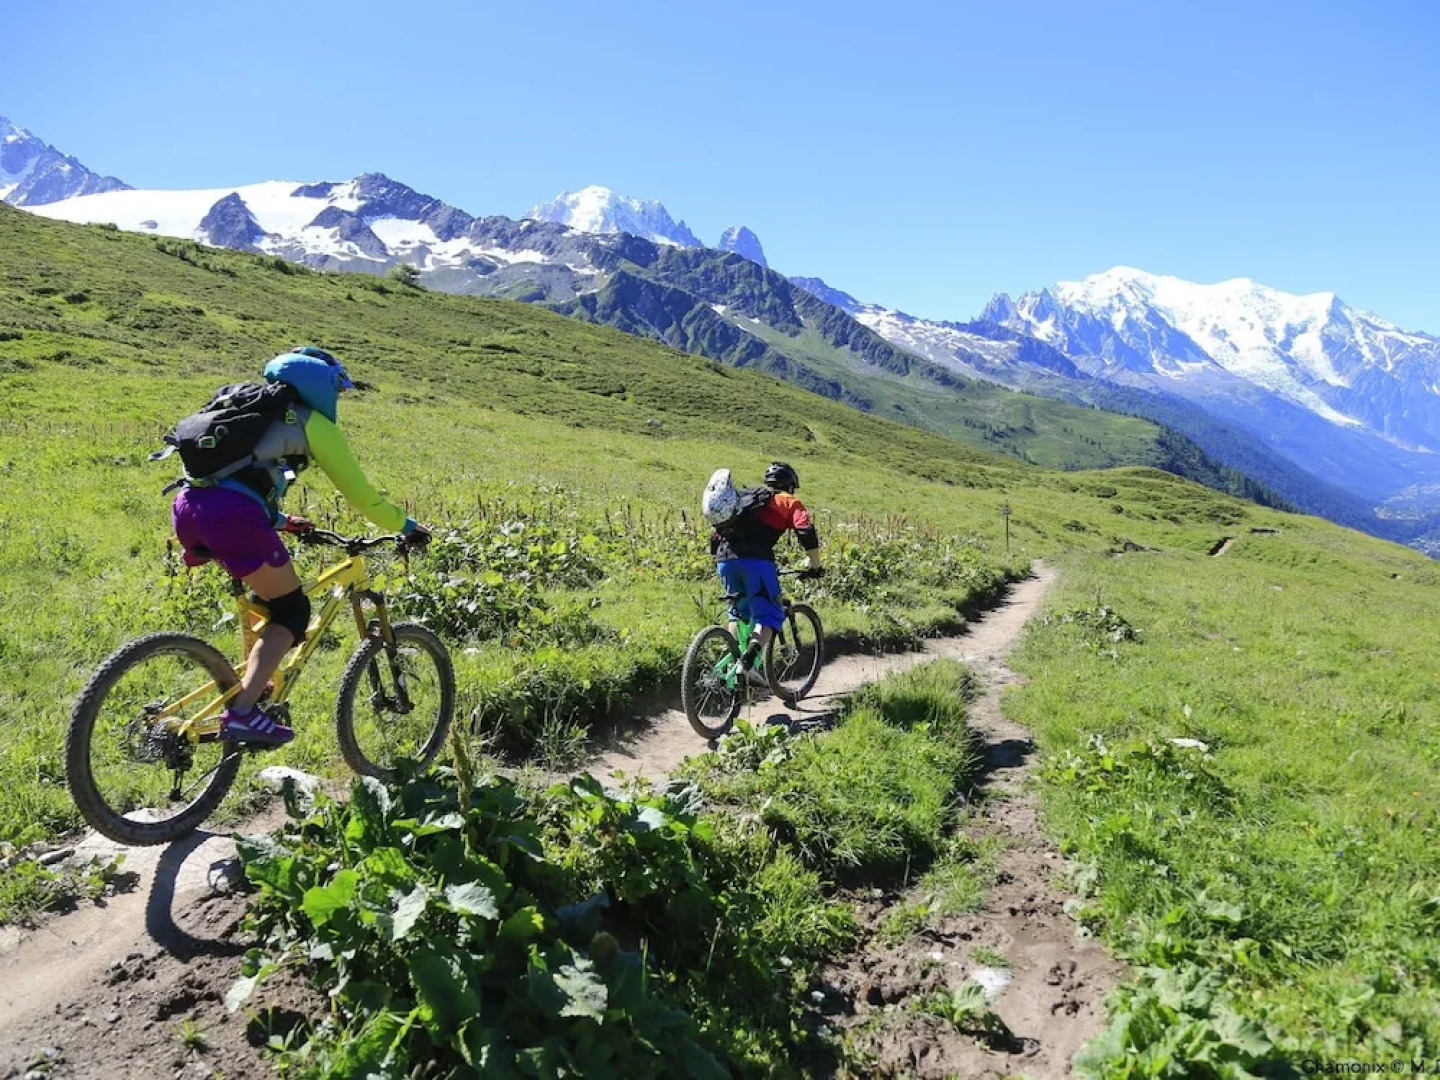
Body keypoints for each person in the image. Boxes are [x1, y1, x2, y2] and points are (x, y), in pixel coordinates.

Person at [170, 346, 430, 747]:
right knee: (294, 610)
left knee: (270, 601)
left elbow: (232, 476)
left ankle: (255, 686)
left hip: (189, 508)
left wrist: (281, 520)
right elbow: (363, 498)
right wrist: (407, 526)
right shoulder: (312, 424)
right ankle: (243, 712)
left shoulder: (248, 409)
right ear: (321, 387)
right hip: (230, 516)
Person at [709, 461, 824, 683]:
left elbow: (718, 533)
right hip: (756, 562)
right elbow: (805, 531)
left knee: (738, 613)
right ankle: (747, 663)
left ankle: (731, 662)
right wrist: (815, 566)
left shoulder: (747, 498)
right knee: (769, 616)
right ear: (790, 486)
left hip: (725, 560)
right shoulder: (788, 501)